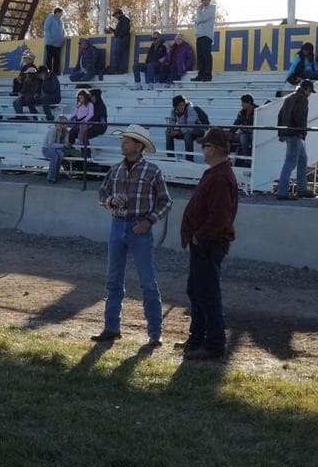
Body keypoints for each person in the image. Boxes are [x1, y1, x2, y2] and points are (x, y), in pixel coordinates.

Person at [92, 124, 173, 346]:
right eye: (124, 140)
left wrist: (148, 221)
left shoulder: (153, 171)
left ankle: (155, 333)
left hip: (138, 227)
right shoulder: (115, 170)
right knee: (114, 280)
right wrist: (110, 202)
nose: (123, 144)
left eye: (127, 141)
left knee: (147, 281)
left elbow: (166, 202)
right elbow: (102, 193)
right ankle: (111, 327)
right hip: (119, 224)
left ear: (138, 146)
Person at [177, 127, 239, 360]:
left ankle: (212, 344)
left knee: (206, 293)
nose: (202, 149)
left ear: (212, 149)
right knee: (197, 290)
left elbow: (220, 217)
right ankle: (198, 338)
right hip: (206, 242)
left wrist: (198, 235)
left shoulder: (220, 176)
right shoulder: (218, 173)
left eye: (205, 146)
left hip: (207, 243)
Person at [276, 79, 316, 199]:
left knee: (303, 159)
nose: (310, 94)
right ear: (307, 89)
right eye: (310, 91)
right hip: (295, 134)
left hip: (288, 133)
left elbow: (280, 114)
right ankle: (282, 192)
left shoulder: (289, 97)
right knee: (290, 163)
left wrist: (280, 133)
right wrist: (302, 132)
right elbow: (299, 116)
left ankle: (302, 189)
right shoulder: (302, 99)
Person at [166, 94, 205, 162]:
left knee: (187, 134)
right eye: (179, 105)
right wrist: (171, 130)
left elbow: (190, 126)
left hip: (198, 129)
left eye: (183, 105)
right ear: (175, 106)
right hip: (184, 130)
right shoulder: (173, 111)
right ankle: (170, 157)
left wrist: (178, 132)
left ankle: (189, 159)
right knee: (168, 133)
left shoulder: (191, 109)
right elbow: (172, 121)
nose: (181, 107)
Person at [192, 0, 216, 81]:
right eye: (202, 0)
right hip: (200, 35)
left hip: (206, 36)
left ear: (208, 1)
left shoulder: (211, 10)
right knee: (200, 57)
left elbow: (201, 19)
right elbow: (196, 23)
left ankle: (207, 75)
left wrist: (199, 11)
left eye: (204, 0)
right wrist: (199, 18)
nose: (202, 2)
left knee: (206, 56)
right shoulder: (203, 10)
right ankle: (200, 75)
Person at [231, 93, 258, 165]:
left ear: (249, 102)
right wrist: (231, 132)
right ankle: (247, 159)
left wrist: (242, 130)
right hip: (246, 133)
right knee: (243, 138)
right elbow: (237, 122)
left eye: (243, 103)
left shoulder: (258, 111)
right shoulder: (242, 112)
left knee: (253, 139)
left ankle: (254, 158)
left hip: (256, 133)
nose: (242, 105)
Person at [42, 114, 70, 184]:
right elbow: (50, 144)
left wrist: (67, 144)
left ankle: (55, 175)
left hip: (57, 149)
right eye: (63, 123)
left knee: (60, 154)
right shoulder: (53, 130)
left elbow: (66, 142)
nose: (65, 125)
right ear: (59, 123)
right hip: (47, 149)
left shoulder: (66, 132)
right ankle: (51, 177)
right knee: (55, 156)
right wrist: (63, 145)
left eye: (66, 123)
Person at [106, 8, 131, 74]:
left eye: (115, 15)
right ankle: (120, 70)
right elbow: (121, 31)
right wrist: (113, 30)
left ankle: (116, 69)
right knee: (121, 55)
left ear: (119, 14)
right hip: (123, 40)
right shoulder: (123, 20)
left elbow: (125, 31)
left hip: (122, 40)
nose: (115, 17)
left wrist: (116, 33)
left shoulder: (124, 20)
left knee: (116, 54)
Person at [43, 7, 65, 76]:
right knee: (49, 58)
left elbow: (63, 30)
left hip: (58, 44)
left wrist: (62, 38)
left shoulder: (61, 21)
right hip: (50, 43)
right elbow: (46, 28)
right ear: (57, 13)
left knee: (57, 59)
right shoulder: (50, 19)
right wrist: (51, 38)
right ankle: (48, 72)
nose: (61, 15)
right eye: (60, 13)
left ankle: (56, 73)